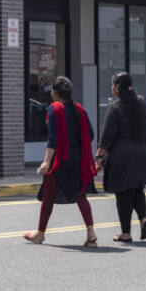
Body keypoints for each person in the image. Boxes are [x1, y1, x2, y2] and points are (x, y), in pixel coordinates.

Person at [24, 76, 98, 246]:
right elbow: (91, 135)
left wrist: (46, 162)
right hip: (78, 160)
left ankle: (40, 233)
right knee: (80, 196)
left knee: (48, 196)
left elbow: (53, 139)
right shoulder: (79, 109)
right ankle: (91, 234)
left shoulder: (54, 109)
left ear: (55, 93)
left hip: (60, 160)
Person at [96, 70, 146, 243]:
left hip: (123, 156)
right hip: (145, 153)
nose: (112, 88)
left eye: (112, 84)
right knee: (138, 188)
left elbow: (108, 136)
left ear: (118, 87)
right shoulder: (144, 102)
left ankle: (126, 233)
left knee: (123, 193)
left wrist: (99, 156)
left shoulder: (115, 107)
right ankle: (144, 219)